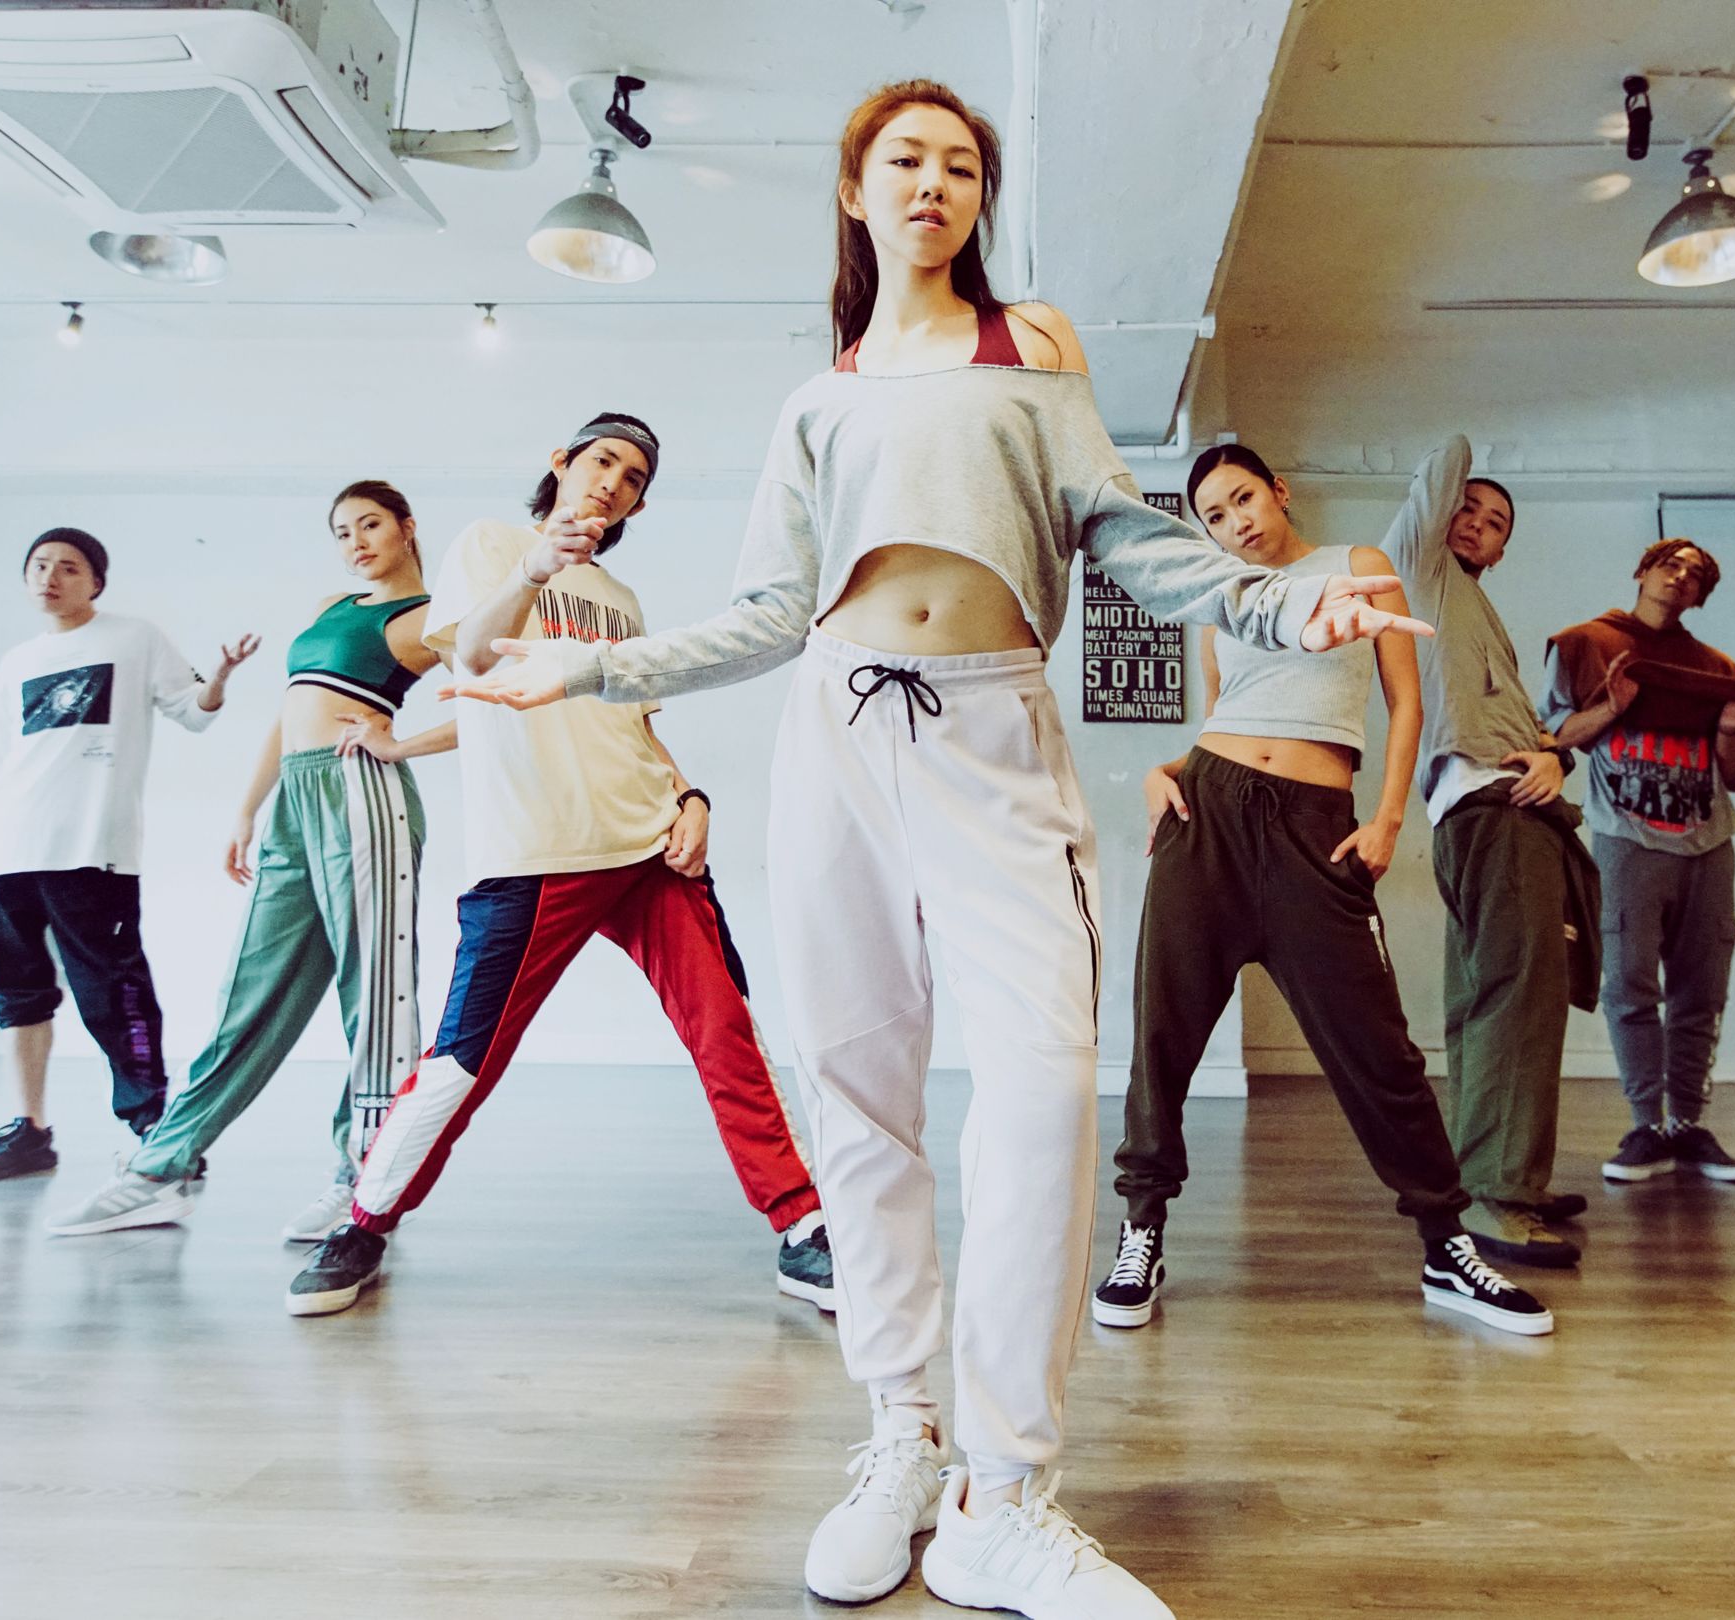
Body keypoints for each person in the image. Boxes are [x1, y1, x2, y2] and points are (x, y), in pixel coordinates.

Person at [440, 81, 1426, 1619]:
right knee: (860, 1089)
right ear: (855, 188)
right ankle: (901, 1432)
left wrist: (1286, 602)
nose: (934, 182)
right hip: (836, 733)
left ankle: (1005, 1494)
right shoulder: (818, 402)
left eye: (962, 165)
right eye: (905, 158)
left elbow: (1128, 536)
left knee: (1040, 1083)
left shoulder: (1030, 352)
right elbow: (772, 614)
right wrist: (592, 669)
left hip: (992, 727)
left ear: (980, 199)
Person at [280, 411, 838, 1324]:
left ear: (638, 504)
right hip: (535, 853)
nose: (613, 481)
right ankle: (364, 1221)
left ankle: (802, 1223)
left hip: (650, 843)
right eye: (603, 460)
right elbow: (471, 656)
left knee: (727, 1031)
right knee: (464, 1062)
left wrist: (691, 797)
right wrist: (533, 569)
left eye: (633, 476)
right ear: (563, 463)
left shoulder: (621, 598)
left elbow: (633, 722)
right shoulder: (490, 546)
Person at [1096, 443, 1550, 1338]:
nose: (1234, 523)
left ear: (1278, 491)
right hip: (1210, 820)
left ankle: (1445, 1243)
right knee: (1161, 1034)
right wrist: (1162, 772)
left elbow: (1406, 703)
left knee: (1379, 1049)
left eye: (1242, 499)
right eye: (1214, 517)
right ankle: (1142, 1229)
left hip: (1316, 829)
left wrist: (1387, 820)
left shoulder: (1358, 565)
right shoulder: (1222, 603)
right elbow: (1225, 720)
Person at [45, 481, 442, 1241]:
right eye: (342, 531)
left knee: (376, 994)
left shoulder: (430, 616)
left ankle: (365, 1180)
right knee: (250, 990)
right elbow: (291, 712)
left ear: (406, 527)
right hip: (296, 796)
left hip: (362, 791)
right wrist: (247, 809)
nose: (355, 542)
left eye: (369, 525)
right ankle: (162, 1167)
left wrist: (401, 744)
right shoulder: (334, 606)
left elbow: (492, 701)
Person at [0, 527, 256, 1181]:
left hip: (92, 851)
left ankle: (156, 1128)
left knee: (115, 993)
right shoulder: (18, 660)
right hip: (6, 850)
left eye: (68, 567)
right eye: (39, 565)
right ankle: (30, 1130)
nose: (51, 576)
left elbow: (192, 710)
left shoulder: (134, 638)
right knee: (18, 996)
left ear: (95, 582)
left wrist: (222, 679)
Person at [1377, 435, 1604, 1268]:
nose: (1476, 521)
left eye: (1496, 520)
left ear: (1504, 551)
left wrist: (1556, 756)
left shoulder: (1477, 612)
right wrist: (1466, 475)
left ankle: (1493, 1178)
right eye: (1467, 509)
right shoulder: (1419, 569)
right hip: (1493, 815)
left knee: (1488, 1004)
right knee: (1518, 1000)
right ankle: (1500, 1198)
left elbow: (1528, 732)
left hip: (1491, 811)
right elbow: (1444, 459)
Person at [1542, 539, 1735, 1185]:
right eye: (1672, 563)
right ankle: (1647, 1125)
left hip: (1707, 843)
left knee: (1702, 988)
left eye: (1696, 574)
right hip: (1627, 840)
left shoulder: (1717, 668)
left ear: (1700, 596)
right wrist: (1612, 707)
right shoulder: (1587, 644)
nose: (1681, 576)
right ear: (1643, 571)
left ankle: (1687, 1125)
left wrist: (1729, 731)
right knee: (1628, 985)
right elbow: (1554, 736)